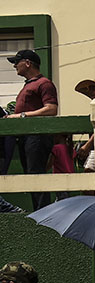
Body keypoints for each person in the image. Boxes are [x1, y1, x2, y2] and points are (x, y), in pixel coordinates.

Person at [4, 49, 58, 211]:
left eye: (16, 62)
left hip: (37, 136)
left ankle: (43, 213)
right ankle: (39, 213)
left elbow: (51, 109)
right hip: (26, 137)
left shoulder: (44, 84)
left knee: (36, 174)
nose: (14, 66)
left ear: (27, 63)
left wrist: (21, 116)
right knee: (30, 176)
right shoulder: (29, 85)